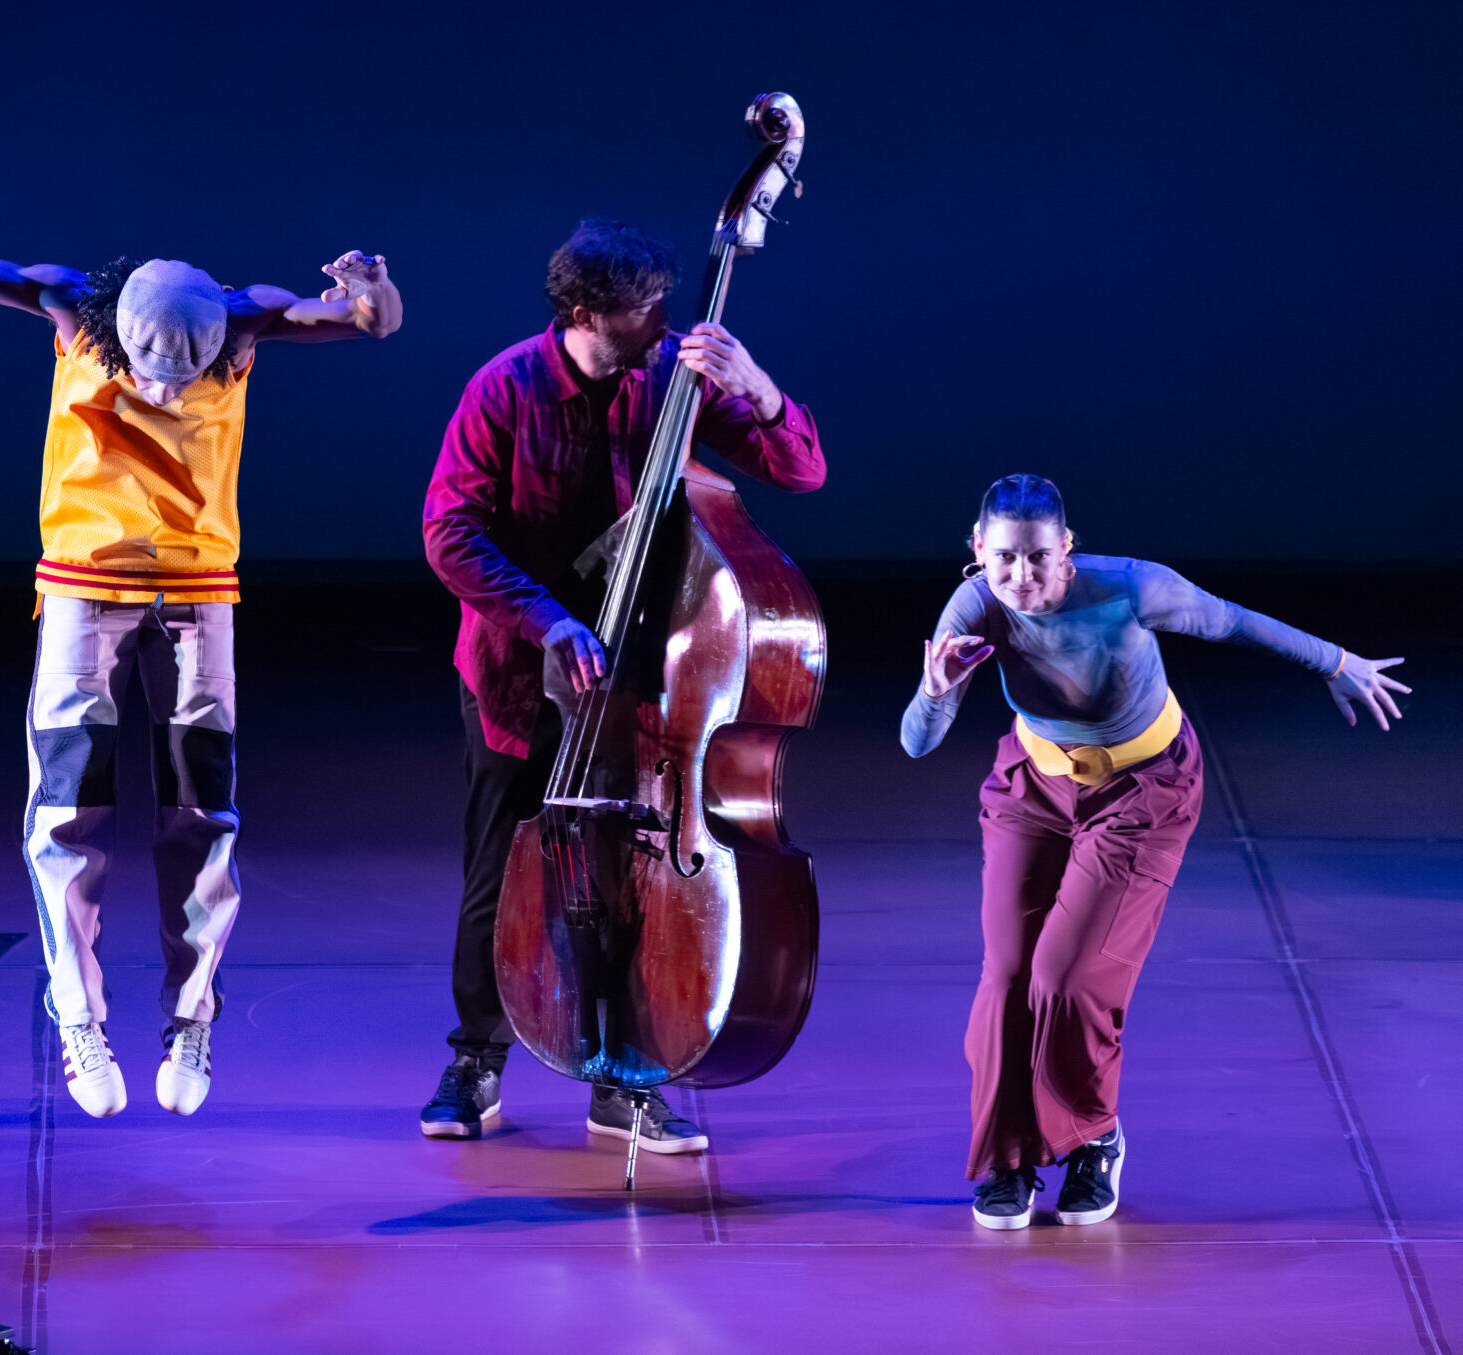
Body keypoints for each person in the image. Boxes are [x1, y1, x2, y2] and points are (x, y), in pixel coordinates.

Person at [0, 226, 401, 1118]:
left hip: (196, 595)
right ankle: (79, 1017)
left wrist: (371, 291)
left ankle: (190, 1019)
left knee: (202, 813)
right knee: (66, 811)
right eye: (152, 375)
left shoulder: (242, 323)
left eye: (187, 379)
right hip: (80, 593)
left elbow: (360, 321)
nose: (167, 391)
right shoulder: (73, 308)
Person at [902, 474, 1408, 1230]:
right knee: (1006, 977)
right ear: (977, 551)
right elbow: (917, 741)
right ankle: (1009, 1156)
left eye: (1040, 557)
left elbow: (1236, 622)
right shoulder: (975, 606)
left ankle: (1091, 1135)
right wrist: (936, 689)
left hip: (1144, 791)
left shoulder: (1135, 588)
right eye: (1004, 557)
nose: (1023, 576)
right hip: (1033, 787)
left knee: (1066, 978)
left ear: (1067, 550)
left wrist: (1335, 662)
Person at [418, 218, 828, 1149]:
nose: (664, 325)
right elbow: (450, 533)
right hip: (523, 670)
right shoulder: (504, 389)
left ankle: (627, 1072)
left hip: (644, 679)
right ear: (583, 312)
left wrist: (757, 391)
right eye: (645, 310)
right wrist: (548, 618)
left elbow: (802, 470)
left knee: (632, 870)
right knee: (506, 869)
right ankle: (477, 1054)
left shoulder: (670, 381)